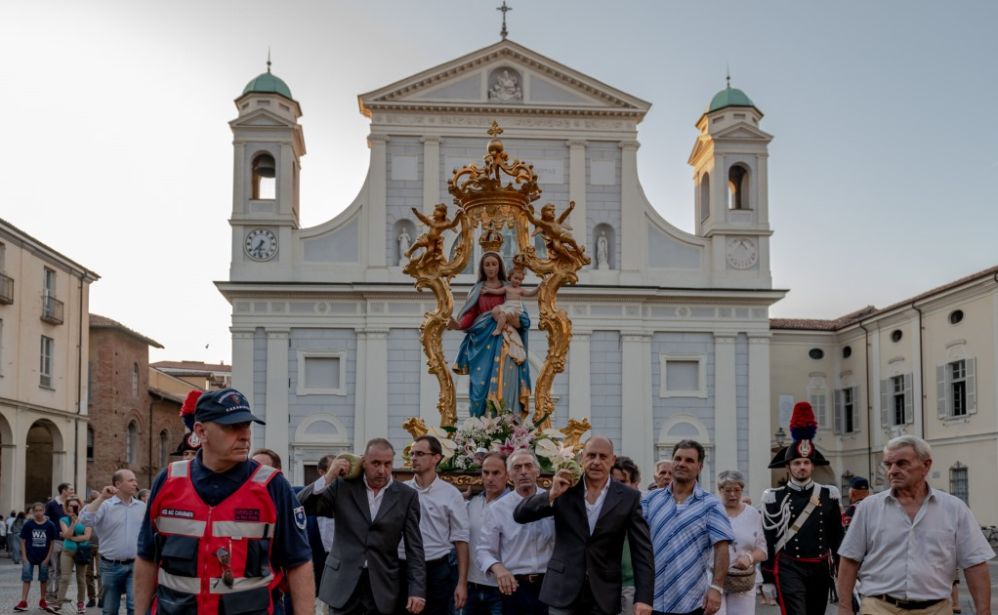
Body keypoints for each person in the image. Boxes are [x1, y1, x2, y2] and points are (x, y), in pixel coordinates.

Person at [134, 388, 315, 615]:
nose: (245, 435)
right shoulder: (169, 481)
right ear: (201, 431)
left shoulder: (272, 485)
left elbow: (299, 563)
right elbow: (146, 557)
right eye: (231, 426)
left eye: (246, 425)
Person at [837, 435, 994, 615]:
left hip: (935, 609)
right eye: (888, 464)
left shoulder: (954, 509)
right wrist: (844, 608)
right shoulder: (868, 508)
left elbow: (975, 564)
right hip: (879, 608)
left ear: (926, 465)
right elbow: (849, 560)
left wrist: (984, 611)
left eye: (902, 463)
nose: (893, 470)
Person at [514, 436, 653, 615]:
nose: (596, 462)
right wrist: (551, 494)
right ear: (582, 458)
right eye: (591, 455)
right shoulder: (565, 489)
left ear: (612, 460)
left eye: (603, 457)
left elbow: (642, 551)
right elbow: (520, 515)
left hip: (604, 593)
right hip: (562, 590)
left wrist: (644, 598)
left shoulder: (628, 497)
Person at [298, 437, 426, 615]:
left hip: (383, 586)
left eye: (387, 464)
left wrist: (417, 591)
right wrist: (329, 477)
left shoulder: (407, 496)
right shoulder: (342, 487)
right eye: (376, 463)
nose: (382, 470)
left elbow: (415, 548)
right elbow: (300, 505)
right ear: (363, 462)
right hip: (342, 585)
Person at [762, 402, 842, 615]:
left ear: (813, 466)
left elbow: (837, 537)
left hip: (820, 567)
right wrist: (767, 577)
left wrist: (843, 571)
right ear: (788, 467)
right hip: (789, 567)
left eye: (806, 462)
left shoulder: (828, 495)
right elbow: (769, 539)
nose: (802, 467)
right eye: (796, 463)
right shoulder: (774, 497)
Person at [643, 440, 734, 615]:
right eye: (678, 458)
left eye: (689, 460)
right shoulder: (650, 500)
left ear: (699, 466)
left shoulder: (711, 504)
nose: (682, 464)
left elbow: (722, 548)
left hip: (690, 601)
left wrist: (716, 587)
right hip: (651, 599)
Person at [450, 252, 531, 417]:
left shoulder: (509, 289)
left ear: (499, 266)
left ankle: (507, 424)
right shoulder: (478, 290)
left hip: (506, 341)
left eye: (494, 264)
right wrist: (456, 324)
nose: (491, 268)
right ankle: (479, 426)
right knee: (480, 388)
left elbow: (523, 318)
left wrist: (514, 320)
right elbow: (470, 316)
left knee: (507, 383)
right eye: (487, 264)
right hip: (482, 343)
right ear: (482, 268)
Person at [478, 450, 554, 615]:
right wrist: (499, 569)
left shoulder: (554, 500)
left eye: (528, 466)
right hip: (516, 588)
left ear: (538, 471)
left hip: (551, 584)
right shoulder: (497, 509)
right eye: (517, 468)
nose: (523, 471)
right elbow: (484, 551)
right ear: (509, 475)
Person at [403, 435, 471, 615]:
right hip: (404, 568)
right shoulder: (401, 491)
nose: (414, 458)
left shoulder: (451, 494)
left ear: (436, 458)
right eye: (412, 454)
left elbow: (461, 539)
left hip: (437, 570)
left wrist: (462, 583)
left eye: (419, 453)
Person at [80, 469, 145, 615]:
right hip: (110, 566)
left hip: (135, 565)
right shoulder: (105, 505)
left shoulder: (141, 507)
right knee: (110, 609)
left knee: (134, 607)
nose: (135, 483)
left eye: (135, 480)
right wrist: (102, 497)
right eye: (130, 480)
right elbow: (85, 520)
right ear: (118, 484)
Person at [715, 470, 766, 615]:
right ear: (720, 490)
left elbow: (762, 550)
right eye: (727, 490)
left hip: (742, 580)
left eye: (737, 490)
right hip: (713, 579)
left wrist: (750, 558)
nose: (733, 494)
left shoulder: (752, 514)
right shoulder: (712, 512)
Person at [465, 452, 510, 615]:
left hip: (501, 589)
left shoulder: (515, 505)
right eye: (486, 472)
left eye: (496, 473)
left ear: (507, 474)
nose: (490, 478)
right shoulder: (472, 504)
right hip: (470, 586)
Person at [610, 456, 641, 615]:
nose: (617, 488)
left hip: (630, 586)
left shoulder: (643, 511)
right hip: (604, 586)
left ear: (635, 484)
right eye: (613, 483)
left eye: (622, 482)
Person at [14, 502, 57, 613]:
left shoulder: (50, 525)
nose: (38, 513)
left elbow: (52, 543)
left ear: (44, 511)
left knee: (43, 579)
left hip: (44, 557)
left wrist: (48, 558)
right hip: (29, 556)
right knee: (26, 578)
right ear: (33, 512)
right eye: (36, 511)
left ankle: (42, 600)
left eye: (40, 510)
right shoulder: (28, 524)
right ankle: (23, 601)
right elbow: (23, 541)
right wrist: (24, 556)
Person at [55, 496, 92, 614]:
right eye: (70, 505)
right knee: (65, 578)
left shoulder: (87, 519)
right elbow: (66, 534)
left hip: (82, 552)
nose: (72, 508)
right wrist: (73, 523)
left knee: (81, 579)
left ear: (80, 507)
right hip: (67, 551)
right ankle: (58, 603)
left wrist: (70, 537)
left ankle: (81, 603)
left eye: (75, 505)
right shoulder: (63, 519)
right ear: (67, 507)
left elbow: (87, 536)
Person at [481, 265, 538, 338]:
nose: (517, 281)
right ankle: (502, 323)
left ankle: (498, 329)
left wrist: (538, 288)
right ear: (510, 277)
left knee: (503, 314)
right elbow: (497, 291)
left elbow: (530, 294)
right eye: (516, 278)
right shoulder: (507, 288)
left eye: (520, 280)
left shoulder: (520, 290)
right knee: (494, 311)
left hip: (515, 307)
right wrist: (488, 290)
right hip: (506, 305)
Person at [44, 482, 74, 603]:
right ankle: (49, 593)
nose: (73, 491)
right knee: (53, 568)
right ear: (63, 490)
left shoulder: (70, 505)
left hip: (67, 540)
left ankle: (59, 594)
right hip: (55, 540)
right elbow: (46, 521)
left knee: (63, 569)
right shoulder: (52, 504)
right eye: (70, 489)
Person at [82, 492, 101, 609]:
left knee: (100, 573)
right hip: (87, 545)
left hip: (101, 545)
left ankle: (102, 598)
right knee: (88, 574)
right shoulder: (85, 509)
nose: (94, 499)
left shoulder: (105, 508)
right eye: (92, 497)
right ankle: (91, 598)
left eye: (96, 497)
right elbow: (81, 522)